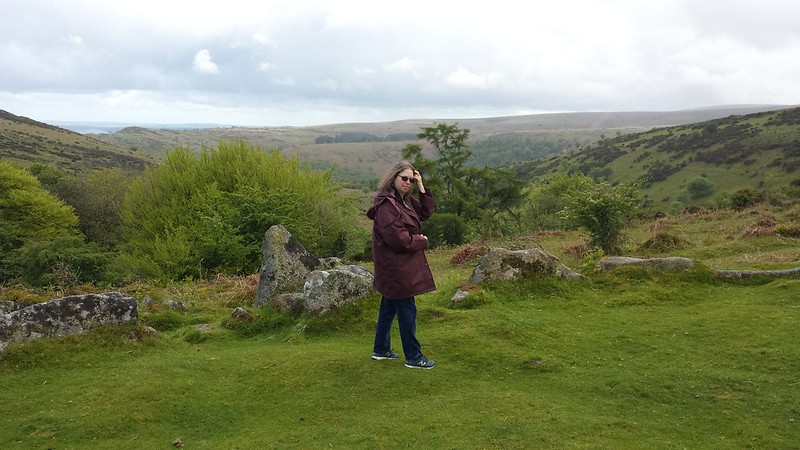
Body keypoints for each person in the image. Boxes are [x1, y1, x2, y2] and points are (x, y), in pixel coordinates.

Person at [367, 161, 437, 369]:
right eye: (404, 178)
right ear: (394, 177)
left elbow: (425, 213)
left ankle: (381, 349)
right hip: (396, 269)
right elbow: (399, 239)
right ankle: (414, 357)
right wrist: (421, 241)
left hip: (396, 267)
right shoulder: (387, 206)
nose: (408, 182)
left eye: (411, 180)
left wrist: (421, 185)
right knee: (407, 311)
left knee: (388, 308)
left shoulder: (403, 200)